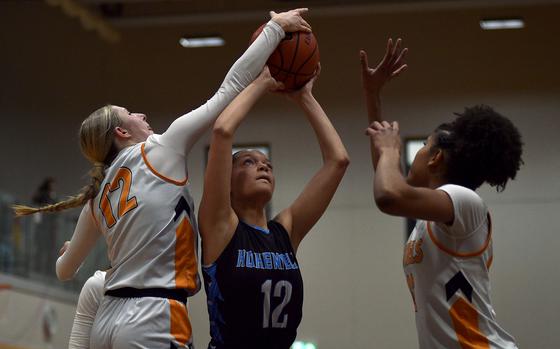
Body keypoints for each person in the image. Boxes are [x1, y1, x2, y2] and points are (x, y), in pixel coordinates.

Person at [13, 9, 311, 349]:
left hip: (107, 320)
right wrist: (275, 29)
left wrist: (69, 251)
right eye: (131, 114)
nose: (142, 114)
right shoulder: (159, 149)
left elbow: (64, 271)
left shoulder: (97, 197)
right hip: (153, 316)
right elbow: (229, 89)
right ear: (123, 132)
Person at [360, 39, 522, 348]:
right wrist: (372, 95)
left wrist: (391, 148)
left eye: (422, 146)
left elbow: (388, 195)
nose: (416, 153)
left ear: (436, 158)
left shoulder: (464, 201)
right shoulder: (437, 214)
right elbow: (386, 175)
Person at [198, 65, 349, 349]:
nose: (263, 166)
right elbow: (222, 130)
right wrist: (261, 82)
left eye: (267, 164)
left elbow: (338, 161)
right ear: (226, 180)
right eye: (248, 162)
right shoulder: (220, 227)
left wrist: (305, 97)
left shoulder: (285, 231)